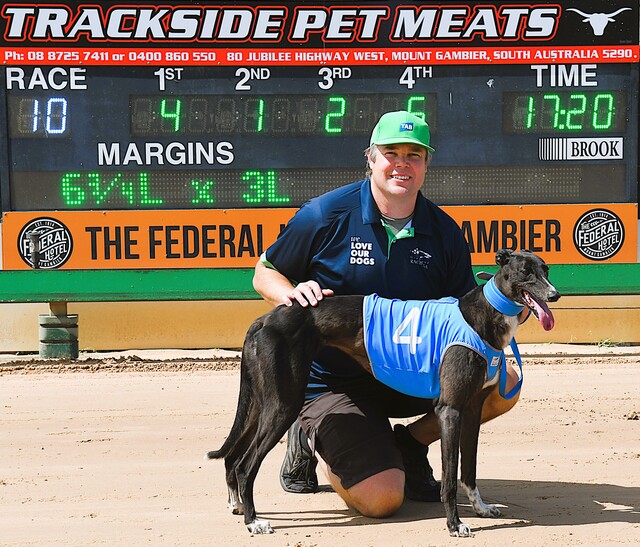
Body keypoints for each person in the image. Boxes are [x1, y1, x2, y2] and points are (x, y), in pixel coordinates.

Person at [252, 110, 521, 518]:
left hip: (409, 371)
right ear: (371, 157)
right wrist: (290, 293)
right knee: (382, 499)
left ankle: (410, 443)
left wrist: (511, 315)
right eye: (391, 153)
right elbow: (265, 271)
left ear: (426, 163)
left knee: (503, 383)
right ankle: (308, 433)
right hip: (335, 380)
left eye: (414, 155)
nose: (402, 164)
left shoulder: (444, 231)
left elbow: (467, 317)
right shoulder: (325, 214)